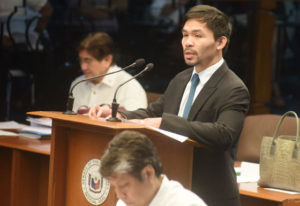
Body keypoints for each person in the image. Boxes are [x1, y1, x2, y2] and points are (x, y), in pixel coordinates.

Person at [89, 5, 250, 206]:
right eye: (184, 35)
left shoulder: (233, 87)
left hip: (210, 194)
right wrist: (120, 114)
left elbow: (224, 134)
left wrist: (165, 123)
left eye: (197, 36)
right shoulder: (181, 79)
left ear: (220, 42)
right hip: (173, 188)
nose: (188, 43)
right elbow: (152, 112)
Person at [100, 130, 207, 206]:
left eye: (124, 185)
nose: (119, 195)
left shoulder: (187, 203)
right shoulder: (124, 204)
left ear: (148, 174)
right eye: (114, 186)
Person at [70, 32, 147, 113]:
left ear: (107, 60)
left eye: (88, 61)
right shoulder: (77, 84)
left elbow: (136, 123)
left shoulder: (130, 86)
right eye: (80, 60)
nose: (83, 67)